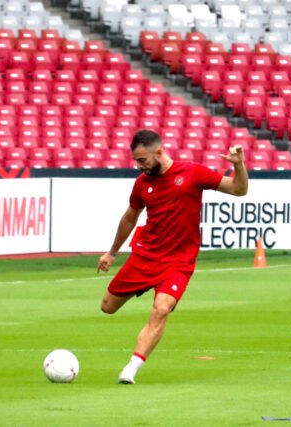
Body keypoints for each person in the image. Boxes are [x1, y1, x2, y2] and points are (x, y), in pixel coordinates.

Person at [96, 129, 249, 384]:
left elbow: (238, 189)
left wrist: (239, 166)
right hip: (145, 257)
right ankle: (141, 291)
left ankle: (131, 368)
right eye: (136, 161)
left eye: (143, 160)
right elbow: (129, 218)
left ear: (159, 152)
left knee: (162, 308)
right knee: (107, 307)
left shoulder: (192, 173)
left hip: (178, 262)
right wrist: (112, 252)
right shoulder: (142, 183)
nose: (140, 166)